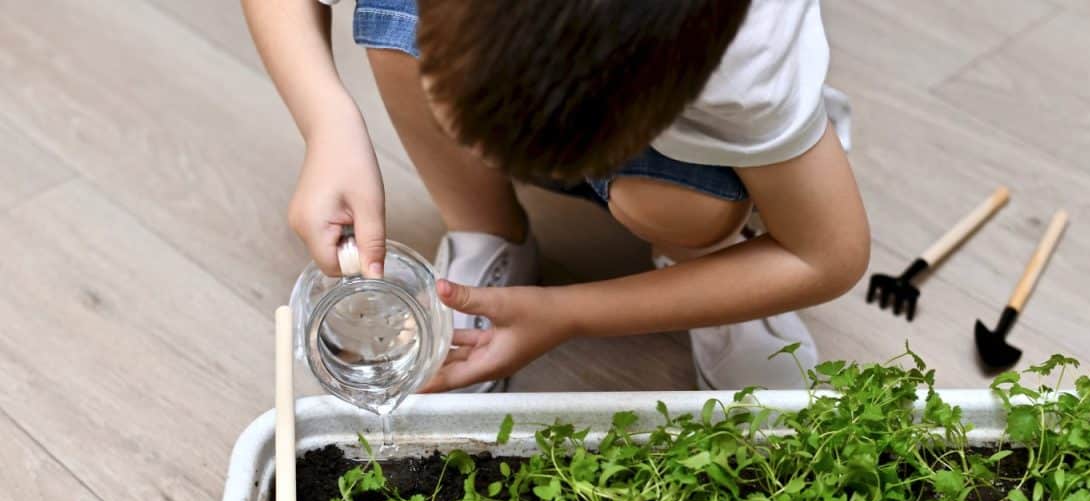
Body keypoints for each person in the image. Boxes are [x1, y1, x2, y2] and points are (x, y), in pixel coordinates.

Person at [243, 0, 870, 392]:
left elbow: (828, 254)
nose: (482, 156)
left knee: (680, 207)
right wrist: (327, 122)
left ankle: (716, 276)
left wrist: (570, 313)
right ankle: (484, 231)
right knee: (390, 23)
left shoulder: (749, 53)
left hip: (687, 78)